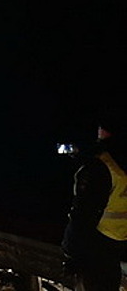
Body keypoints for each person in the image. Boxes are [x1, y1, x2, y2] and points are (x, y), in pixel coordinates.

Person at [62, 110, 127, 290]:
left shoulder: (101, 167)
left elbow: (82, 214)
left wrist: (71, 253)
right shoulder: (119, 164)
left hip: (96, 244)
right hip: (118, 242)